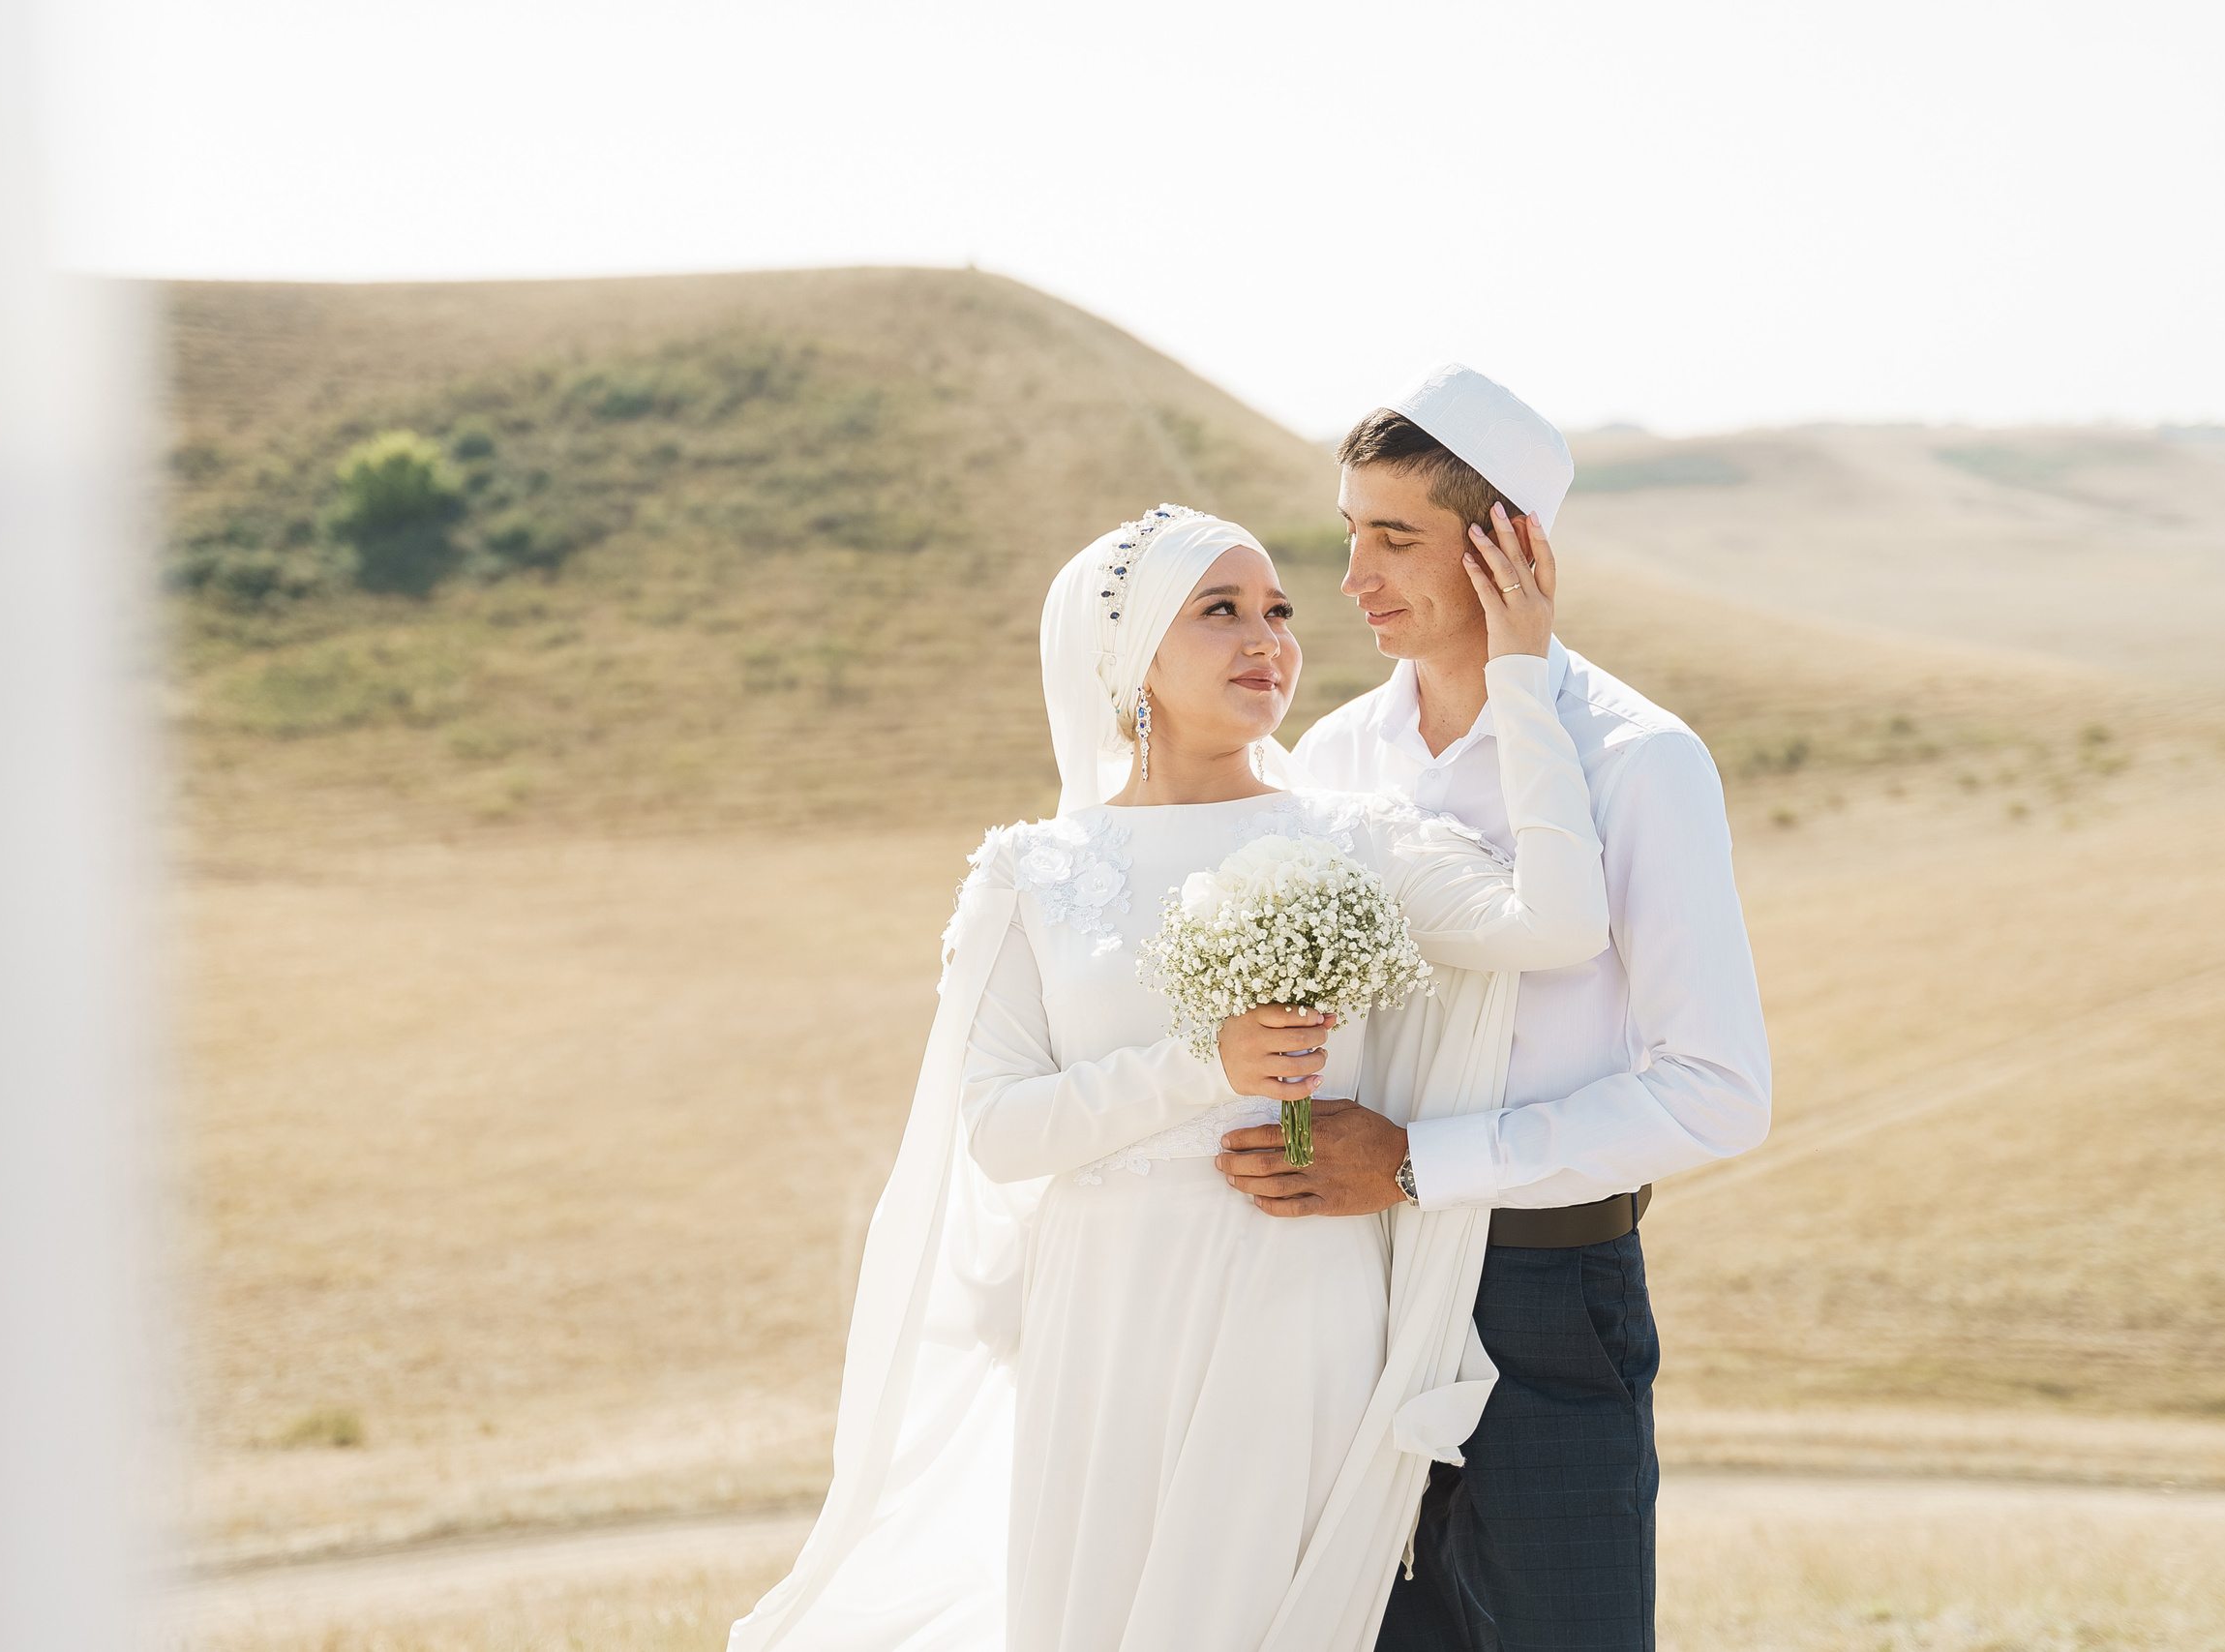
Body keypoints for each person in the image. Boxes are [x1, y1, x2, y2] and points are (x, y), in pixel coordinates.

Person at [731, 503, 1611, 1652]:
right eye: (1220, 611)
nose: (1267, 640)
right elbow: (998, 1130)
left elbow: (1558, 924)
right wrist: (1207, 1064)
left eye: (1278, 612)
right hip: (1101, 1319)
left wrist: (1519, 674)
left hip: (1297, 1301)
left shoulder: (1359, 838)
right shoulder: (1034, 871)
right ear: (1130, 655)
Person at [1220, 364, 1774, 1650]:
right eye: (1349, 532)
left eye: (1394, 537)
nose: (1351, 577)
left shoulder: (1638, 760)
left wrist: (1420, 1162)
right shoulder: (1334, 755)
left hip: (1545, 1296)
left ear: (1510, 546)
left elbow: (1719, 1091)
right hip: (1346, 1285)